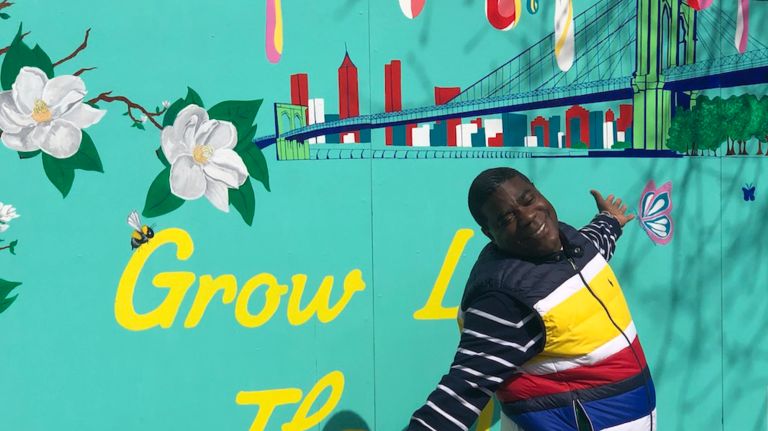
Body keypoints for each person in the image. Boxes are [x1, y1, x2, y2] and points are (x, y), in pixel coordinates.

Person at [407, 167, 656, 431]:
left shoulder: (568, 242)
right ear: (489, 233)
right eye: (506, 219)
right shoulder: (505, 301)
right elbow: (461, 392)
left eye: (527, 200)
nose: (527, 217)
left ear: (539, 193)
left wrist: (610, 220)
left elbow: (592, 247)